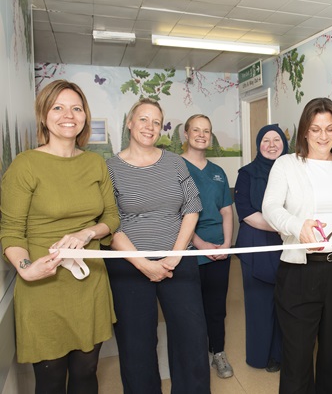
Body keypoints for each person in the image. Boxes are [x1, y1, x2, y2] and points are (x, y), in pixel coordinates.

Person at [0, 80, 119, 394]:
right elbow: (10, 231)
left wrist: (87, 232)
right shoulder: (26, 165)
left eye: (76, 108)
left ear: (84, 117)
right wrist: (26, 267)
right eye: (58, 107)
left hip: (89, 280)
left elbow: (111, 217)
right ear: (43, 115)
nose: (69, 114)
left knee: (87, 371)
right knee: (51, 379)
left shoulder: (95, 163)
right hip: (44, 285)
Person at [262, 97, 332, 394]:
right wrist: (296, 227)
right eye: (315, 129)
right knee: (297, 358)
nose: (323, 136)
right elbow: (270, 208)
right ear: (304, 131)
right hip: (301, 272)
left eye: (330, 129)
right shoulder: (287, 165)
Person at [105, 99, 210, 394]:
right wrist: (144, 264)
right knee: (136, 342)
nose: (149, 127)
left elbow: (192, 208)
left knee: (191, 336)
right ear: (129, 122)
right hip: (129, 265)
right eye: (143, 120)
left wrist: (174, 255)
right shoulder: (110, 167)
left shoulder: (175, 162)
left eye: (156, 122)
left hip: (178, 260)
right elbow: (110, 221)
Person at [181, 114, 235, 379]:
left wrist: (226, 244)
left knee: (216, 306)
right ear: (186, 134)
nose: (202, 135)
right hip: (189, 249)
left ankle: (218, 352)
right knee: (191, 309)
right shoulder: (175, 168)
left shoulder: (217, 172)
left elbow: (226, 211)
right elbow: (176, 214)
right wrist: (200, 244)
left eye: (207, 131)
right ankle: (195, 357)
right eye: (196, 130)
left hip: (218, 250)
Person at [235, 124, 288, 372]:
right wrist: (284, 226)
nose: (271, 145)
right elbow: (246, 212)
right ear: (258, 145)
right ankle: (259, 356)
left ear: (284, 144)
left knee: (285, 303)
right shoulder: (246, 173)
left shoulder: (293, 171)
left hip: (288, 245)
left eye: (276, 140)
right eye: (265, 140)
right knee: (259, 304)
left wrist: (289, 228)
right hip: (256, 245)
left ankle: (280, 355)